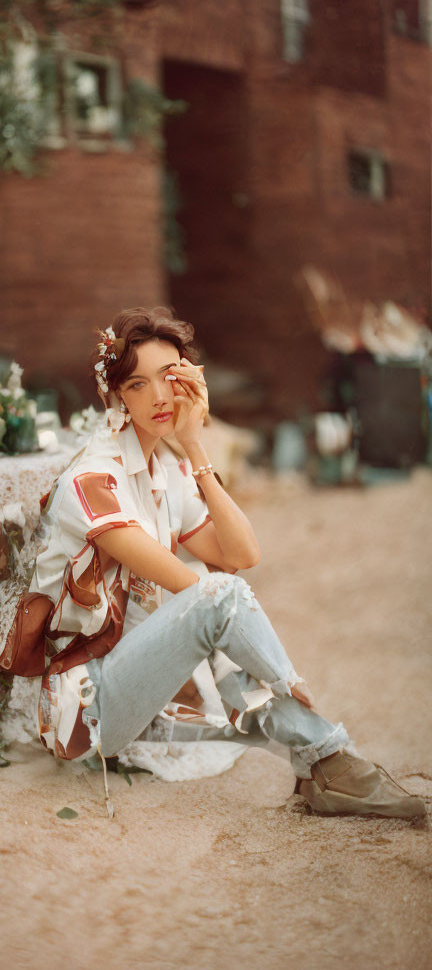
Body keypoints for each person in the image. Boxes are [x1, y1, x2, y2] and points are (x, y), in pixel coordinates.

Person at [29, 306, 425, 820]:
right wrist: (281, 675)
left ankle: (327, 770)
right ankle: (332, 760)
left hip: (144, 684)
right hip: (86, 706)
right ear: (116, 395)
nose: (159, 397)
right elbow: (203, 591)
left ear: (190, 380)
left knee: (250, 703)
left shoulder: (164, 467)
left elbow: (242, 554)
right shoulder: (94, 481)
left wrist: (195, 444)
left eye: (169, 378)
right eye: (137, 385)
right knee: (220, 596)